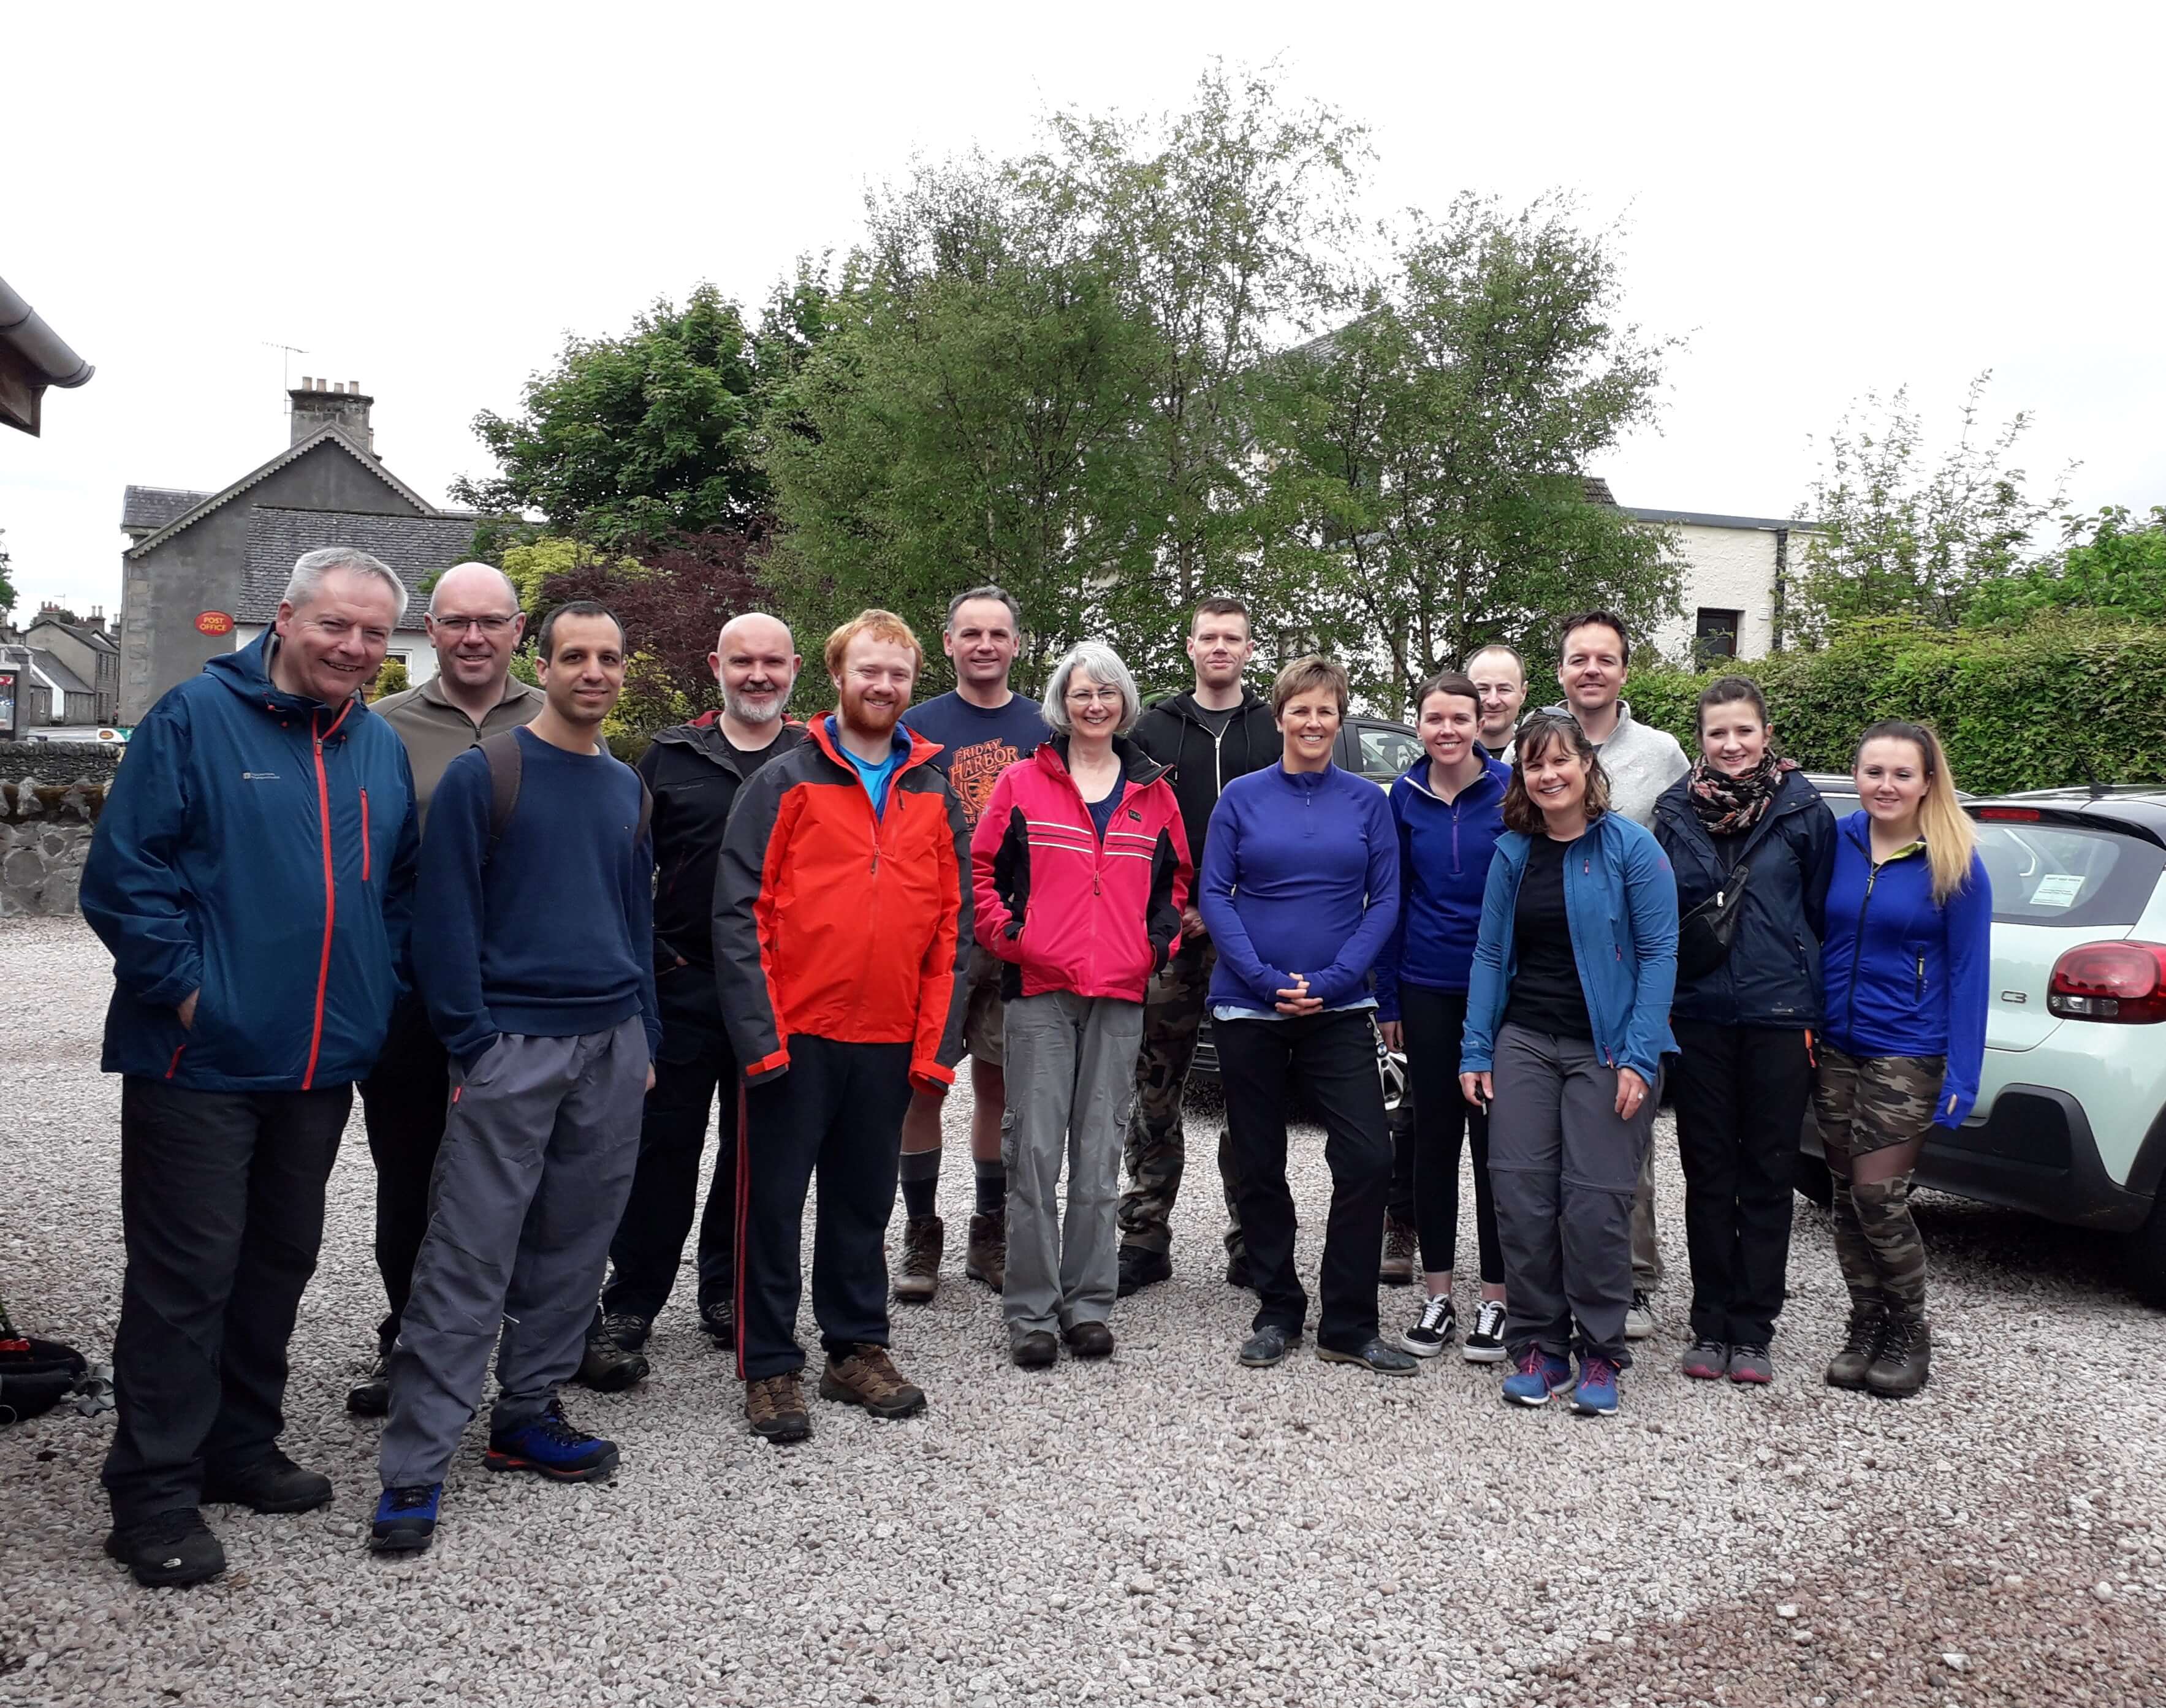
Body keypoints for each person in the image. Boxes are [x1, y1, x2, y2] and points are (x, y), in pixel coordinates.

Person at [82, 547, 419, 1588]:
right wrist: (193, 992)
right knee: (186, 1276)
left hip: (320, 1059)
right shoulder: (194, 719)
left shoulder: (374, 745)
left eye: (372, 634)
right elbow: (126, 875)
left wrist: (378, 989)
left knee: (279, 1256)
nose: (354, 649)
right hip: (200, 1056)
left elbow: (396, 892)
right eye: (335, 626)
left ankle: (237, 1443)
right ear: (283, 618)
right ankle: (152, 1491)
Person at [370, 601, 661, 1555]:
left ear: (624, 670)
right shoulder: (483, 772)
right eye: (574, 654)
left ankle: (526, 1410)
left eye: (608, 656)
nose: (593, 670)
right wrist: (475, 1042)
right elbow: (440, 921)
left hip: (610, 1045)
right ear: (544, 666)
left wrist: (644, 1037)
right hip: (514, 1049)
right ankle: (414, 1463)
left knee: (575, 1244)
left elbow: (634, 923)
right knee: (469, 1250)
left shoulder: (626, 786)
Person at [715, 610, 970, 1444]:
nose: (883, 686)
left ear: (911, 683)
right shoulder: (785, 781)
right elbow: (740, 911)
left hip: (888, 1036)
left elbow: (953, 933)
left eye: (898, 674)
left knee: (862, 1204)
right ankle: (769, 1365)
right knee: (773, 1205)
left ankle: (854, 1346)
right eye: (869, 670)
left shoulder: (933, 792)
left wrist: (933, 1047)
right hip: (794, 1037)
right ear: (837, 675)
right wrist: (760, 1036)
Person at [582, 613, 808, 1383]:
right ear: (716, 665)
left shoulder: (815, 761)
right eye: (742, 661)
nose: (757, 676)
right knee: (662, 1151)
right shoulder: (671, 758)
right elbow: (624, 875)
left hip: (778, 995)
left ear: (795, 669)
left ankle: (728, 1292)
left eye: (772, 663)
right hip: (682, 984)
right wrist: (648, 965)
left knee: (756, 1155)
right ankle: (634, 1298)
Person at [348, 561, 543, 1418]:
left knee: (523, 1174)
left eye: (489, 621)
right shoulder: (380, 728)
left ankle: (527, 1348)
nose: (472, 636)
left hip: (529, 994)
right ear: (430, 629)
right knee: (413, 1173)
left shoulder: (556, 717)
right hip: (413, 997)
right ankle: (413, 1338)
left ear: (517, 628)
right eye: (456, 621)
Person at [971, 643, 1190, 1366]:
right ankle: (1031, 1312)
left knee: (1099, 1157)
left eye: (1107, 694)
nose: (1093, 705)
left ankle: (1087, 1304)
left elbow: (1176, 889)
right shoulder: (1022, 783)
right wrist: (1013, 938)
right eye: (1079, 694)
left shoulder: (1154, 793)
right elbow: (982, 870)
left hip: (1120, 996)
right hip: (1040, 990)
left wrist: (1152, 951)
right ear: (1061, 705)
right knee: (1033, 1153)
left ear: (1125, 704)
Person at [1461, 712, 1678, 1418]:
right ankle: (1537, 1344)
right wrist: (1476, 1046)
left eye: (1560, 761)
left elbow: (1659, 957)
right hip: (1524, 1041)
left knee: (1595, 1203)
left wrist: (1640, 1057)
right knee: (1520, 1197)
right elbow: (1491, 955)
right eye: (1533, 765)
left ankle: (1602, 1351)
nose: (1549, 775)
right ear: (1521, 777)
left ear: (1587, 764)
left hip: (1608, 1048)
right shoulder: (1513, 854)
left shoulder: (1632, 849)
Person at [1202, 656, 1412, 1376]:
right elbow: (1215, 895)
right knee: (1258, 1160)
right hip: (1247, 1005)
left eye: (1327, 711)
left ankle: (1348, 1322)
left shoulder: (1366, 802)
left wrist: (1335, 978)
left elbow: (1385, 900)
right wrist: (1262, 980)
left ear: (1340, 718)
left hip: (1337, 1002)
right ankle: (1278, 1307)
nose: (1314, 723)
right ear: (1280, 716)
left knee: (1367, 1155)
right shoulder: (1242, 799)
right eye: (1301, 710)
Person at [1653, 678, 1833, 1386]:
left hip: (1779, 1017)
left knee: (1767, 1171)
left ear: (1765, 734)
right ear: (1700, 740)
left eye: (1743, 732)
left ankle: (1754, 1327)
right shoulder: (1674, 814)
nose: (1731, 746)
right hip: (1697, 1014)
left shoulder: (1802, 812)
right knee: (1707, 1173)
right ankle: (1709, 1319)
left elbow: (1818, 912)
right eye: (1717, 734)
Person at [1814, 720, 1989, 1399]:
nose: (1886, 786)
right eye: (1874, 772)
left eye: (1902, 774)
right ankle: (1865, 1324)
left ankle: (1908, 1330)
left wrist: (1965, 1074)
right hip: (1834, 1043)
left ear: (1926, 782)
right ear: (1857, 777)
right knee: (1841, 1196)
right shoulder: (1841, 843)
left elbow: (1971, 974)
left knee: (1877, 1195)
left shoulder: (1956, 860)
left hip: (1909, 1047)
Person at [1116, 596, 1279, 1296]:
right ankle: (1145, 1235)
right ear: (1190, 646)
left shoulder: (1273, 728)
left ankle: (1252, 1239)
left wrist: (1232, 909)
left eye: (1232, 638)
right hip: (1172, 939)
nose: (1220, 648)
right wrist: (1171, 909)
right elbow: (1128, 829)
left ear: (1249, 648)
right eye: (1208, 637)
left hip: (1252, 936)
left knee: (1249, 1090)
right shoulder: (1151, 728)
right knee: (1157, 1089)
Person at [894, 586, 1049, 1302]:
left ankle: (990, 1232)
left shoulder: (1042, 726)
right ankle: (921, 1232)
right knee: (921, 1081)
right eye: (971, 633)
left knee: (999, 1085)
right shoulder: (916, 725)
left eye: (998, 634)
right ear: (949, 642)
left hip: (1016, 933)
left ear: (1017, 644)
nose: (985, 645)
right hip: (934, 933)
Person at [1543, 611, 1689, 1340]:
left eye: (1605, 658)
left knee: (1623, 1128)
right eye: (1578, 659)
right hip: (1550, 966)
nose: (1591, 669)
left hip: (1627, 966)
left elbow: (1684, 849)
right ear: (1562, 670)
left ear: (1625, 671)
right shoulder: (1547, 742)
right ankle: (1562, 1278)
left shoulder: (1661, 755)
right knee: (1555, 1140)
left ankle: (1631, 1278)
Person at [1374, 672, 1512, 1362]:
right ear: (1420, 724)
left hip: (1499, 991)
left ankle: (1495, 1300)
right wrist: (1389, 996)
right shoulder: (1402, 797)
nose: (1448, 730)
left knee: (1494, 1146)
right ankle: (1438, 1296)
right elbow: (1390, 898)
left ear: (1480, 720)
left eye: (1461, 717)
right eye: (1435, 719)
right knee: (1432, 1141)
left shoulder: (1511, 789)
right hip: (1425, 985)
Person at [1466, 643, 1530, 758]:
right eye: (1483, 689)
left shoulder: (1541, 755)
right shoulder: (1439, 757)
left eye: (1504, 689)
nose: (1493, 701)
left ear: (1523, 693)